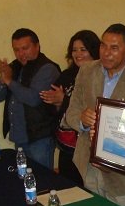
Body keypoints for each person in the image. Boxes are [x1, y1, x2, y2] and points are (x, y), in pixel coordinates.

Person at [65, 23, 125, 206]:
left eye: (114, 48)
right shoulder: (86, 71)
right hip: (88, 167)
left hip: (122, 176)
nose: (106, 53)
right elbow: (71, 113)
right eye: (103, 45)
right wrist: (82, 120)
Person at [0, 28, 60, 169]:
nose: (20, 54)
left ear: (37, 46)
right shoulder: (14, 67)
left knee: (42, 183)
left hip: (40, 138)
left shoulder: (47, 68)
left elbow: (33, 98)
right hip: (20, 137)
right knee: (24, 180)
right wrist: (3, 79)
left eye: (25, 48)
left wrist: (9, 81)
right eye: (16, 50)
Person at [40, 30, 101, 186]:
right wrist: (57, 103)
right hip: (66, 146)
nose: (77, 54)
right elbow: (50, 109)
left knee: (87, 189)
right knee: (67, 188)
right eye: (74, 50)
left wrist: (64, 100)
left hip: (86, 147)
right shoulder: (67, 75)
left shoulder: (100, 76)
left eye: (83, 49)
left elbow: (95, 108)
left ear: (93, 50)